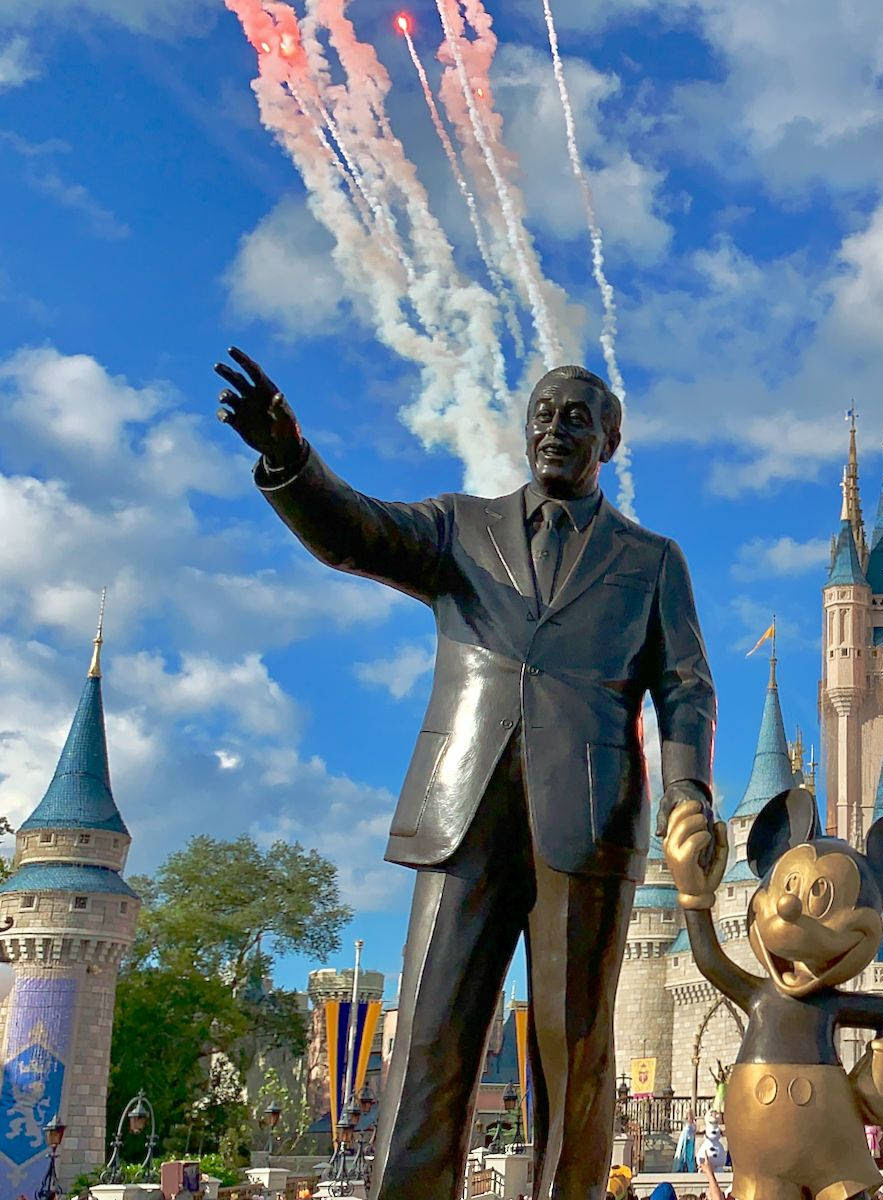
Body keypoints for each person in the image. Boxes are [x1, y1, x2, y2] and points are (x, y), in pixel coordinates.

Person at [214, 351, 717, 1200]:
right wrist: (292, 462)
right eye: (545, 412)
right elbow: (353, 532)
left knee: (576, 1048)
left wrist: (688, 793)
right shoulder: (460, 528)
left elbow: (685, 685)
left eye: (578, 417)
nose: (556, 427)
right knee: (430, 1044)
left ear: (612, 441)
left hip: (588, 821)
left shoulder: (651, 560)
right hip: (462, 814)